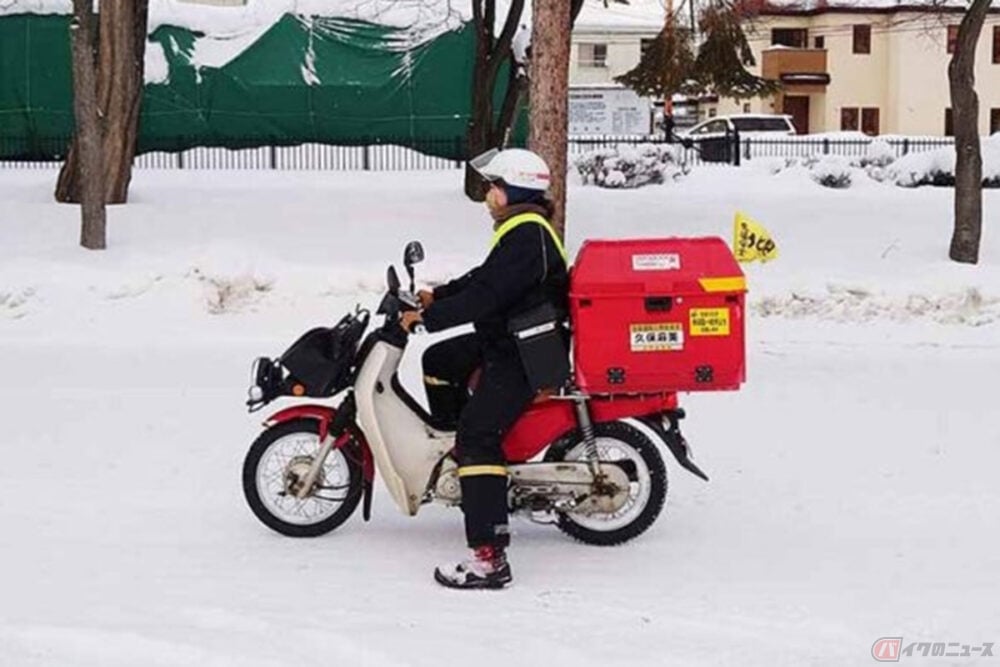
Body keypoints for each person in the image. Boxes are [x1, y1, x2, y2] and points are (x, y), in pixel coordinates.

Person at [400, 148, 569, 590]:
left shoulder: (528, 235)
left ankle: (489, 560)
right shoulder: (520, 230)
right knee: (439, 360)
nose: (488, 194)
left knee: (478, 435)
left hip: (525, 352)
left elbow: (488, 297)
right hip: (508, 339)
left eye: (493, 185)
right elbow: (484, 279)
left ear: (511, 190)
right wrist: (438, 296)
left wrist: (429, 319)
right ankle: (470, 473)